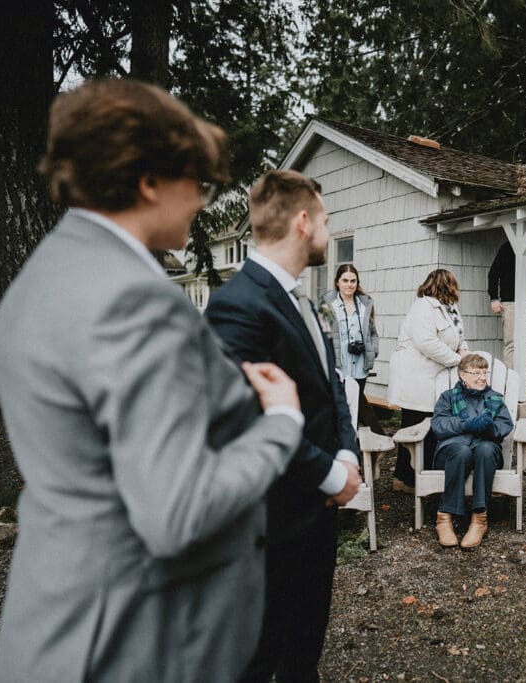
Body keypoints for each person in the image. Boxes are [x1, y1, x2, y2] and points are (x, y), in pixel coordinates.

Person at [0, 78, 305, 682]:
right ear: (149, 180)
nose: (202, 202)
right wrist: (280, 423)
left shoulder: (41, 281)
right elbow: (176, 513)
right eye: (197, 182)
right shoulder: (136, 301)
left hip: (58, 618)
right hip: (137, 640)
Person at [204, 169, 361, 683]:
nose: (326, 230)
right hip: (270, 523)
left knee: (303, 654)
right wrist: (330, 476)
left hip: (315, 518)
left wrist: (348, 452)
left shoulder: (302, 300)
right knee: (260, 659)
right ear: (302, 221)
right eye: (324, 220)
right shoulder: (237, 307)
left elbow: (332, 385)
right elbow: (246, 423)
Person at [387, 269, 468, 493]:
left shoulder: (451, 309)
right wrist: (456, 360)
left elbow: (459, 337)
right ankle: (406, 479)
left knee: (431, 428)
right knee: (414, 428)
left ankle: (417, 477)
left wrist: (465, 352)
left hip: (432, 380)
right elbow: (426, 342)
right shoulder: (423, 307)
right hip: (415, 378)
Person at [429, 353, 515, 549]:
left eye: (485, 372)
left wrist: (489, 428)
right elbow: (439, 424)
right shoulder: (448, 397)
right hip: (452, 451)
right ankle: (444, 518)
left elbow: (504, 424)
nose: (482, 377)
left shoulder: (494, 399)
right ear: (462, 375)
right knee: (461, 451)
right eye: (476, 372)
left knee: (485, 449)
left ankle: (479, 519)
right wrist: (466, 424)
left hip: (485, 451)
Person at [487, 233, 526, 396]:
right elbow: (494, 274)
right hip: (511, 301)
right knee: (512, 341)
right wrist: (494, 298)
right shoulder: (507, 248)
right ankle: (510, 382)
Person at [319, 263, 379, 394]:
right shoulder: (327, 305)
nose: (349, 284)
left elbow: (373, 333)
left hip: (360, 369)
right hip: (337, 369)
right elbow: (321, 336)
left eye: (353, 281)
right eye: (345, 280)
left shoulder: (365, 305)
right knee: (340, 410)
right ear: (337, 282)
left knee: (356, 408)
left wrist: (372, 351)